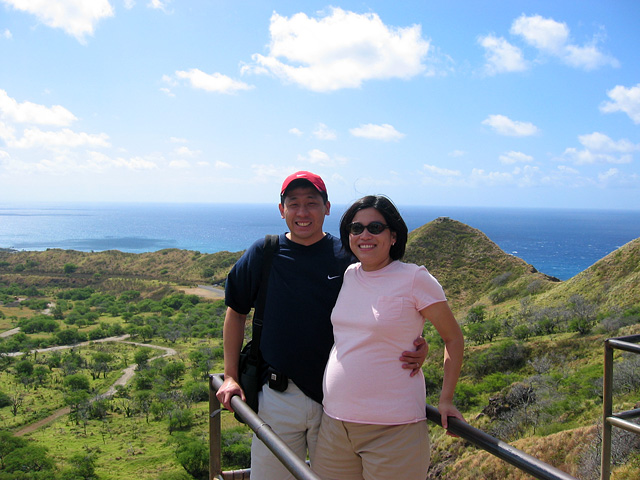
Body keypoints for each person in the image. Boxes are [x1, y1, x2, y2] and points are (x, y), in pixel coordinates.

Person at [215, 172, 428, 480]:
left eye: (312, 203)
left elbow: (387, 301)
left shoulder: (348, 257)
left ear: (327, 208)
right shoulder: (265, 252)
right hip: (277, 396)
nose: (303, 212)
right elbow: (236, 312)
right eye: (294, 204)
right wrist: (231, 377)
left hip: (336, 405)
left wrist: (416, 340)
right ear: (282, 210)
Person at [313, 195, 465, 480]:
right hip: (335, 424)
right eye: (356, 228)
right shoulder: (349, 275)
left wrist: (446, 400)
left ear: (393, 235)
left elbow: (454, 338)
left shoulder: (414, 278)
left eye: (375, 227)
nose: (365, 235)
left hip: (393, 430)